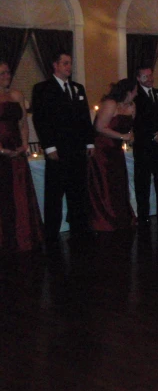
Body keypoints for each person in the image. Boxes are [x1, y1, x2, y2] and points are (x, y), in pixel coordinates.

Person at [32, 51, 95, 240]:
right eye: (65, 63)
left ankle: (79, 228)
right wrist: (49, 146)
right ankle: (51, 233)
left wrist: (89, 141)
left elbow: (85, 117)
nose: (69, 67)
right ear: (55, 65)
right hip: (58, 149)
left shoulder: (78, 88)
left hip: (77, 148)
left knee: (78, 190)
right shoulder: (42, 88)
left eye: (70, 63)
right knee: (55, 192)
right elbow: (41, 119)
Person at [0, 60, 43, 252]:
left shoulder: (16, 94)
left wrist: (25, 144)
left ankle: (23, 234)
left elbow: (23, 124)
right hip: (1, 150)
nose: (7, 76)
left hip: (17, 148)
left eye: (8, 72)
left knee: (19, 192)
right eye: (2, 73)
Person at [87, 78, 137, 231]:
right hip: (103, 149)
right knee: (104, 183)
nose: (137, 93)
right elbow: (100, 127)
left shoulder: (132, 106)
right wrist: (123, 137)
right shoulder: (110, 103)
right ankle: (104, 218)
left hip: (116, 149)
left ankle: (119, 216)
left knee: (118, 182)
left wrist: (130, 135)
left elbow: (130, 127)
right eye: (135, 90)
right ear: (129, 91)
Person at [132, 65, 158, 222]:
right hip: (144, 146)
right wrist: (153, 136)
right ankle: (143, 216)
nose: (149, 79)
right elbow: (137, 122)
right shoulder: (135, 97)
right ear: (138, 78)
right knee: (143, 182)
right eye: (145, 76)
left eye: (150, 75)